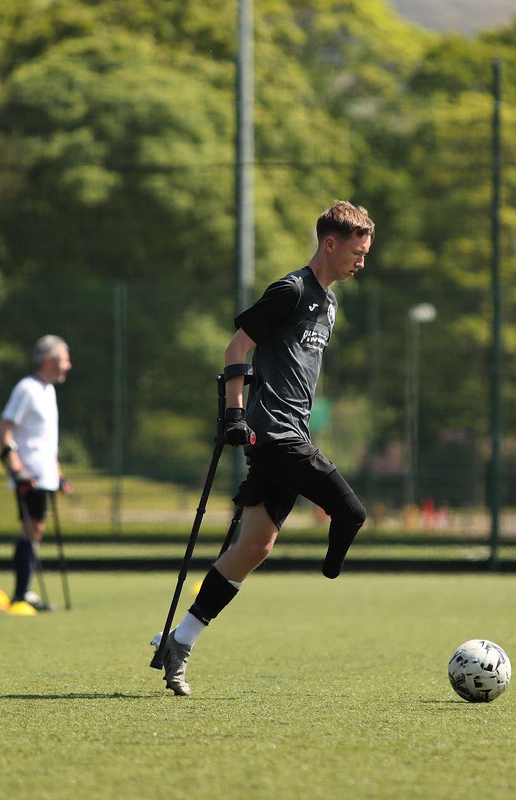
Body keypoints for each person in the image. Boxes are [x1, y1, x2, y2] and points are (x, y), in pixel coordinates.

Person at [158, 200, 374, 696]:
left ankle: (179, 641)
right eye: (357, 253)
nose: (361, 261)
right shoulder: (292, 290)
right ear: (330, 244)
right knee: (350, 513)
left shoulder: (332, 302)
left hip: (293, 430)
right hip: (275, 434)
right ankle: (331, 573)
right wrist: (234, 415)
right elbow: (237, 348)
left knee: (255, 546)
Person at [0, 335, 73, 611]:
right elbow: (3, 430)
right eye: (65, 359)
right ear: (49, 360)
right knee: (31, 528)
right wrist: (16, 468)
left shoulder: (48, 391)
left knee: (36, 529)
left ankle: (24, 591)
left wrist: (59, 474)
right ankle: (21, 593)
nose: (69, 365)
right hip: (29, 473)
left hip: (45, 473)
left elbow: (46, 440)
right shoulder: (26, 389)